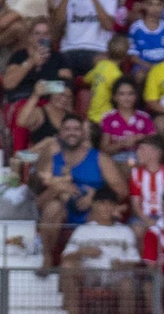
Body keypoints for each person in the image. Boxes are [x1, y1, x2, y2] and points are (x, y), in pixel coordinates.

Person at [36, 112, 129, 267]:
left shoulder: (99, 158)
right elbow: (38, 203)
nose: (71, 132)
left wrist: (95, 197)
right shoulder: (53, 160)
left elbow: (122, 190)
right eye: (67, 129)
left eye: (76, 129)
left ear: (83, 133)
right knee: (52, 208)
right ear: (60, 133)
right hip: (65, 210)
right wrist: (56, 189)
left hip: (92, 212)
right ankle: (47, 258)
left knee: (102, 211)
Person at [56, 187, 140, 314]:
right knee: (68, 267)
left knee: (127, 284)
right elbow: (65, 257)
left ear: (115, 207)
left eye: (110, 204)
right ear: (94, 205)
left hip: (116, 275)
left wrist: (122, 264)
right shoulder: (83, 230)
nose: (106, 208)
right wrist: (82, 252)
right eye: (102, 203)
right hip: (90, 273)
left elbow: (135, 260)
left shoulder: (125, 231)